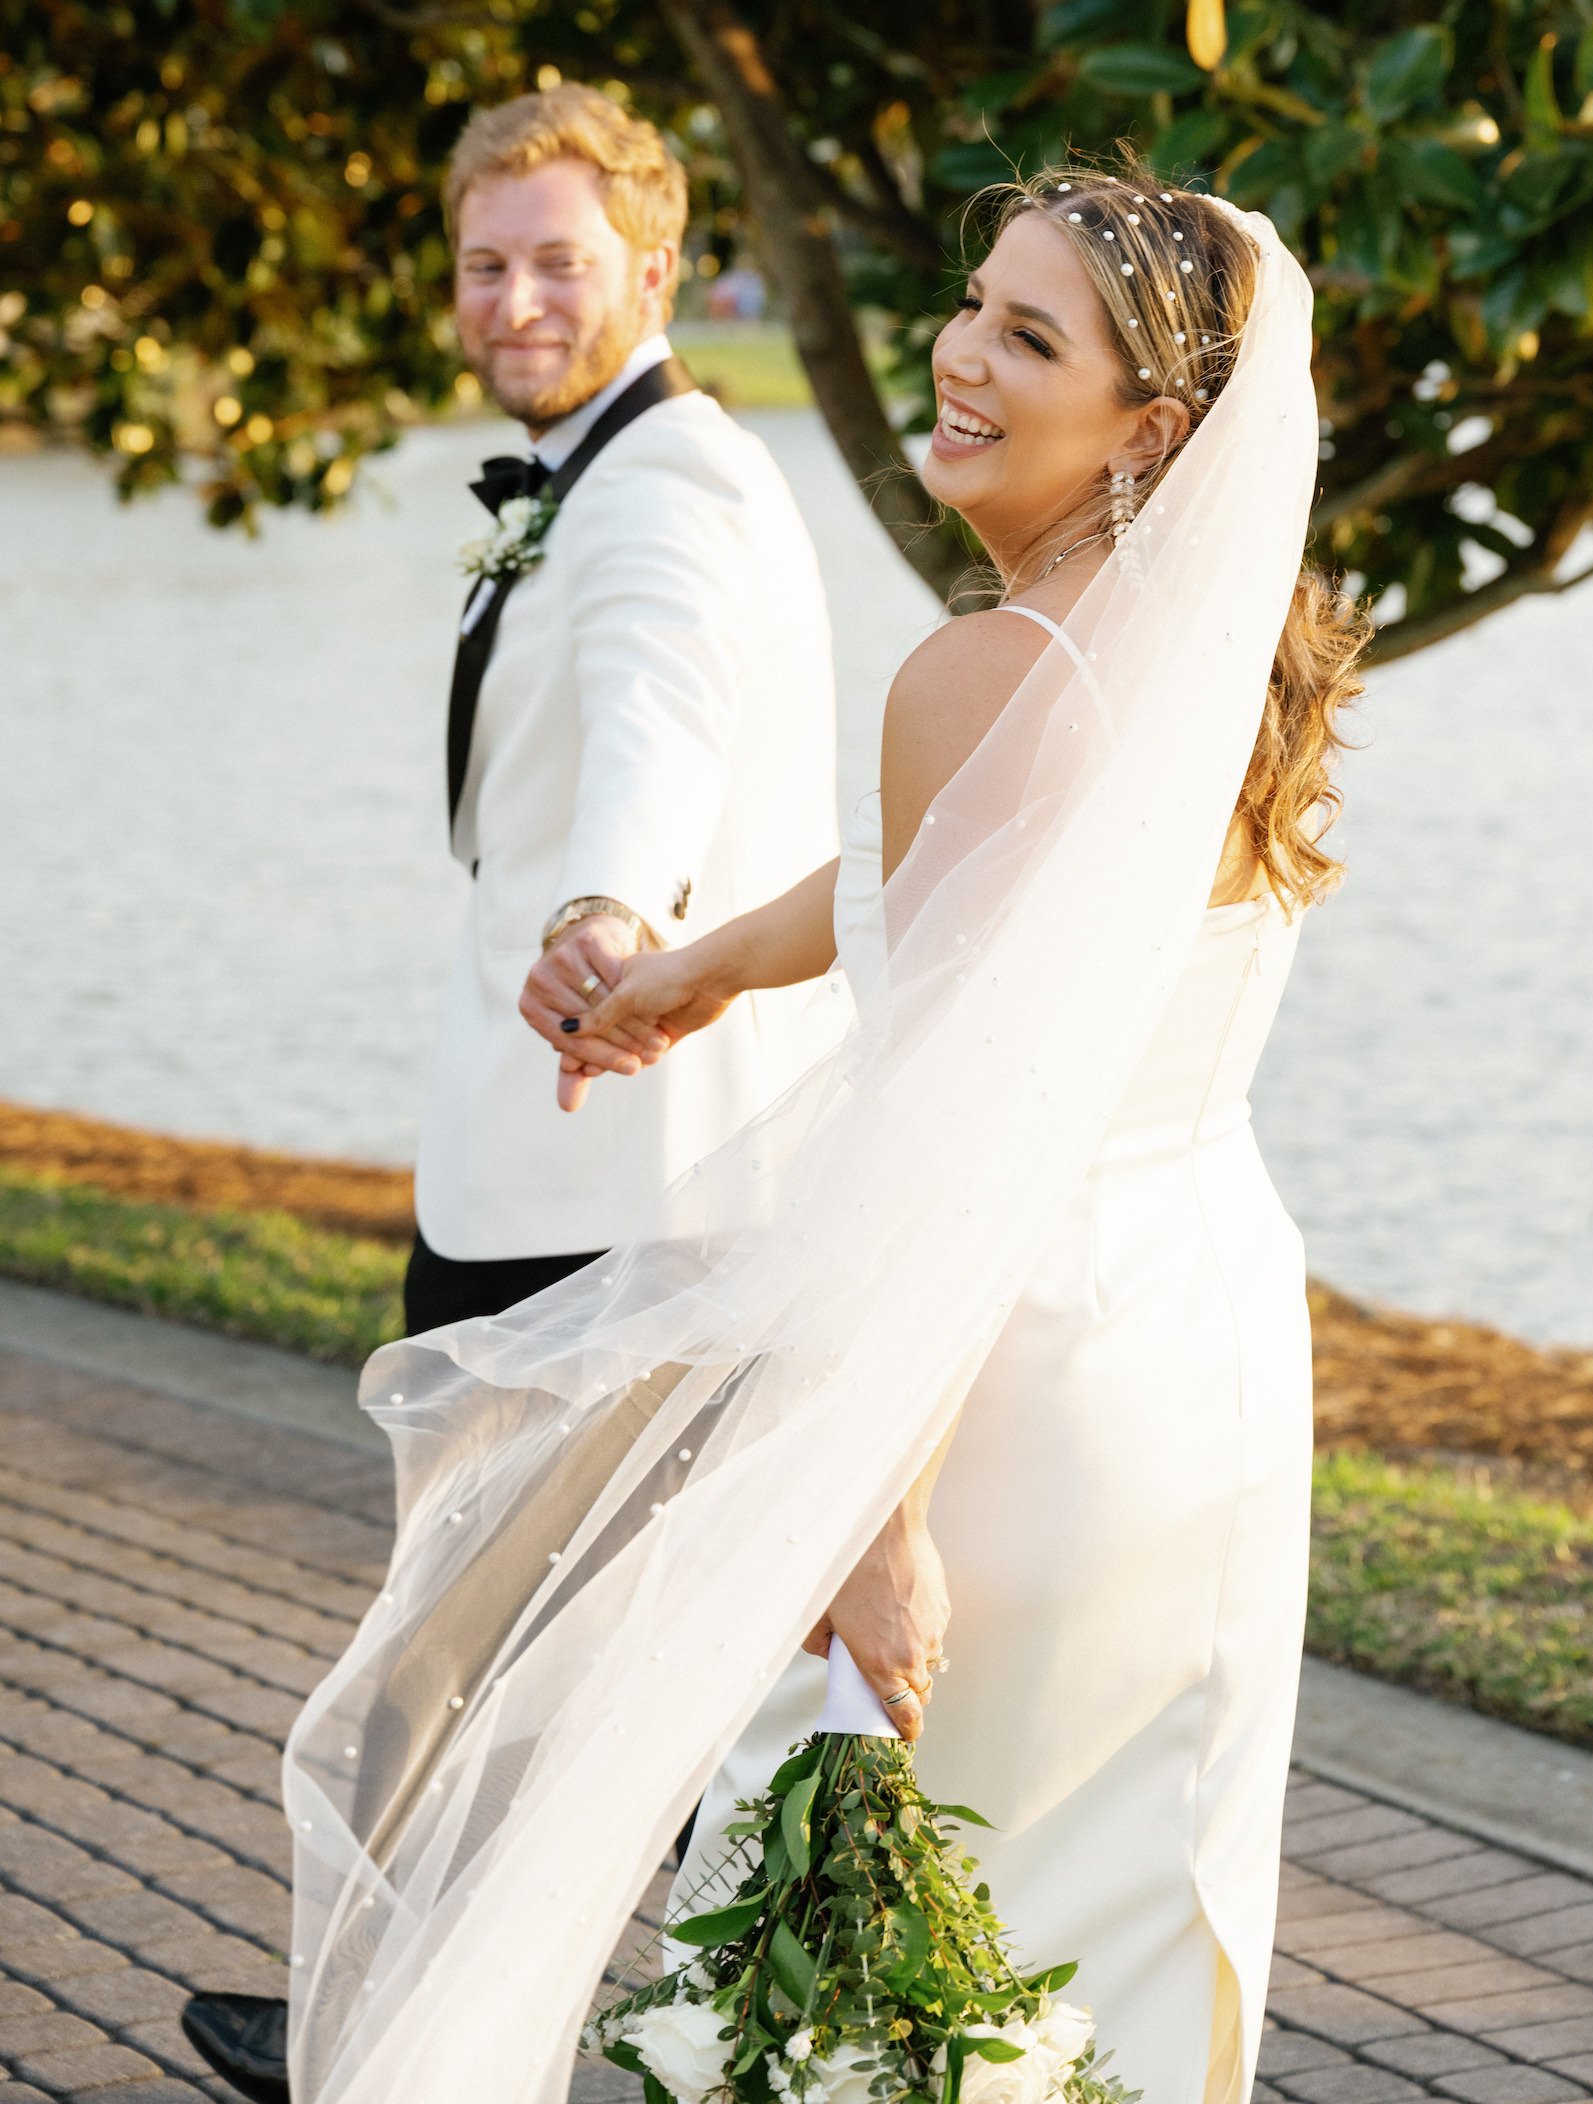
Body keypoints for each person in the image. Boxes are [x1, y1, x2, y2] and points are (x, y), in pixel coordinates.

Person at [277, 160, 1363, 2104]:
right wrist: (718, 966)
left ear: (1155, 427)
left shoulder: (979, 670)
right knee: (1089, 1931)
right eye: (971, 302)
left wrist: (879, 1521)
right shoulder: (1209, 664)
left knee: (866, 1961)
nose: (953, 355)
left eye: (1028, 338)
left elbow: (964, 1142)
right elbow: (962, 902)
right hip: (1195, 1362)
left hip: (999, 1374)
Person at [181, 83, 839, 2104]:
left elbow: (654, 714)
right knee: (511, 1655)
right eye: (487, 264)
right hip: (535, 1151)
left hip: (607, 1170)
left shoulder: (668, 494)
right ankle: (442, 2032)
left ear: (656, 266)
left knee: (468, 1651)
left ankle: (387, 2050)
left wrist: (602, 911)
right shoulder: (584, 472)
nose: (518, 298)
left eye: (561, 261)